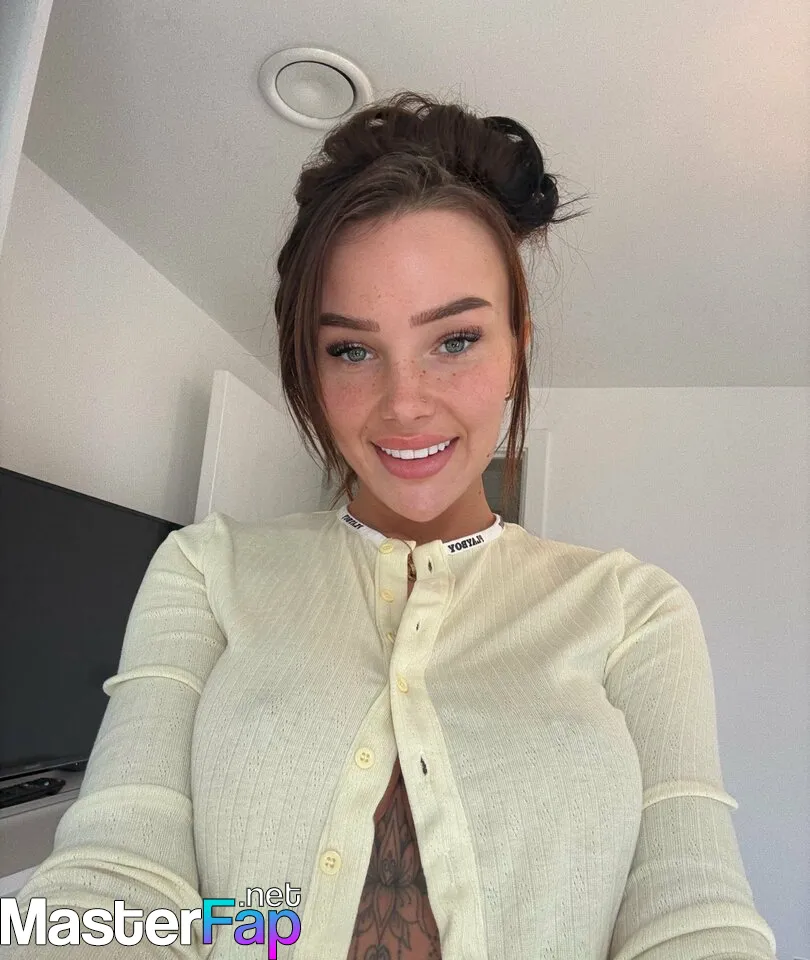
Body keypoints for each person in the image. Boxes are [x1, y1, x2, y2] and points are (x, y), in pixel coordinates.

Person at [2, 91, 778, 960]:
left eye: (455, 340)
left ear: (516, 344)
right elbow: (114, 881)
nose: (405, 403)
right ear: (309, 364)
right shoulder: (206, 570)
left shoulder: (634, 608)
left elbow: (692, 913)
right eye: (351, 349)